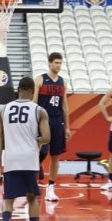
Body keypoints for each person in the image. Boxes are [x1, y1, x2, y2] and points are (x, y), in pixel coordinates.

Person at [0, 76, 51, 221]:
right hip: (29, 159)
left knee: (8, 198)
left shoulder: (3, 110)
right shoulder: (39, 110)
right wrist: (35, 140)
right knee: (32, 198)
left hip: (11, 159)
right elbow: (47, 138)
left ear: (18, 90)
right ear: (33, 91)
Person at [34, 52, 71, 201]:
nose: (58, 65)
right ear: (49, 63)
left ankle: (51, 187)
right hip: (43, 120)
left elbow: (65, 106)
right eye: (56, 63)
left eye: (60, 63)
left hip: (57, 121)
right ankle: (32, 184)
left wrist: (67, 126)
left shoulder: (63, 82)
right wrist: (34, 123)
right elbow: (34, 104)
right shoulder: (40, 79)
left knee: (56, 156)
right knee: (37, 153)